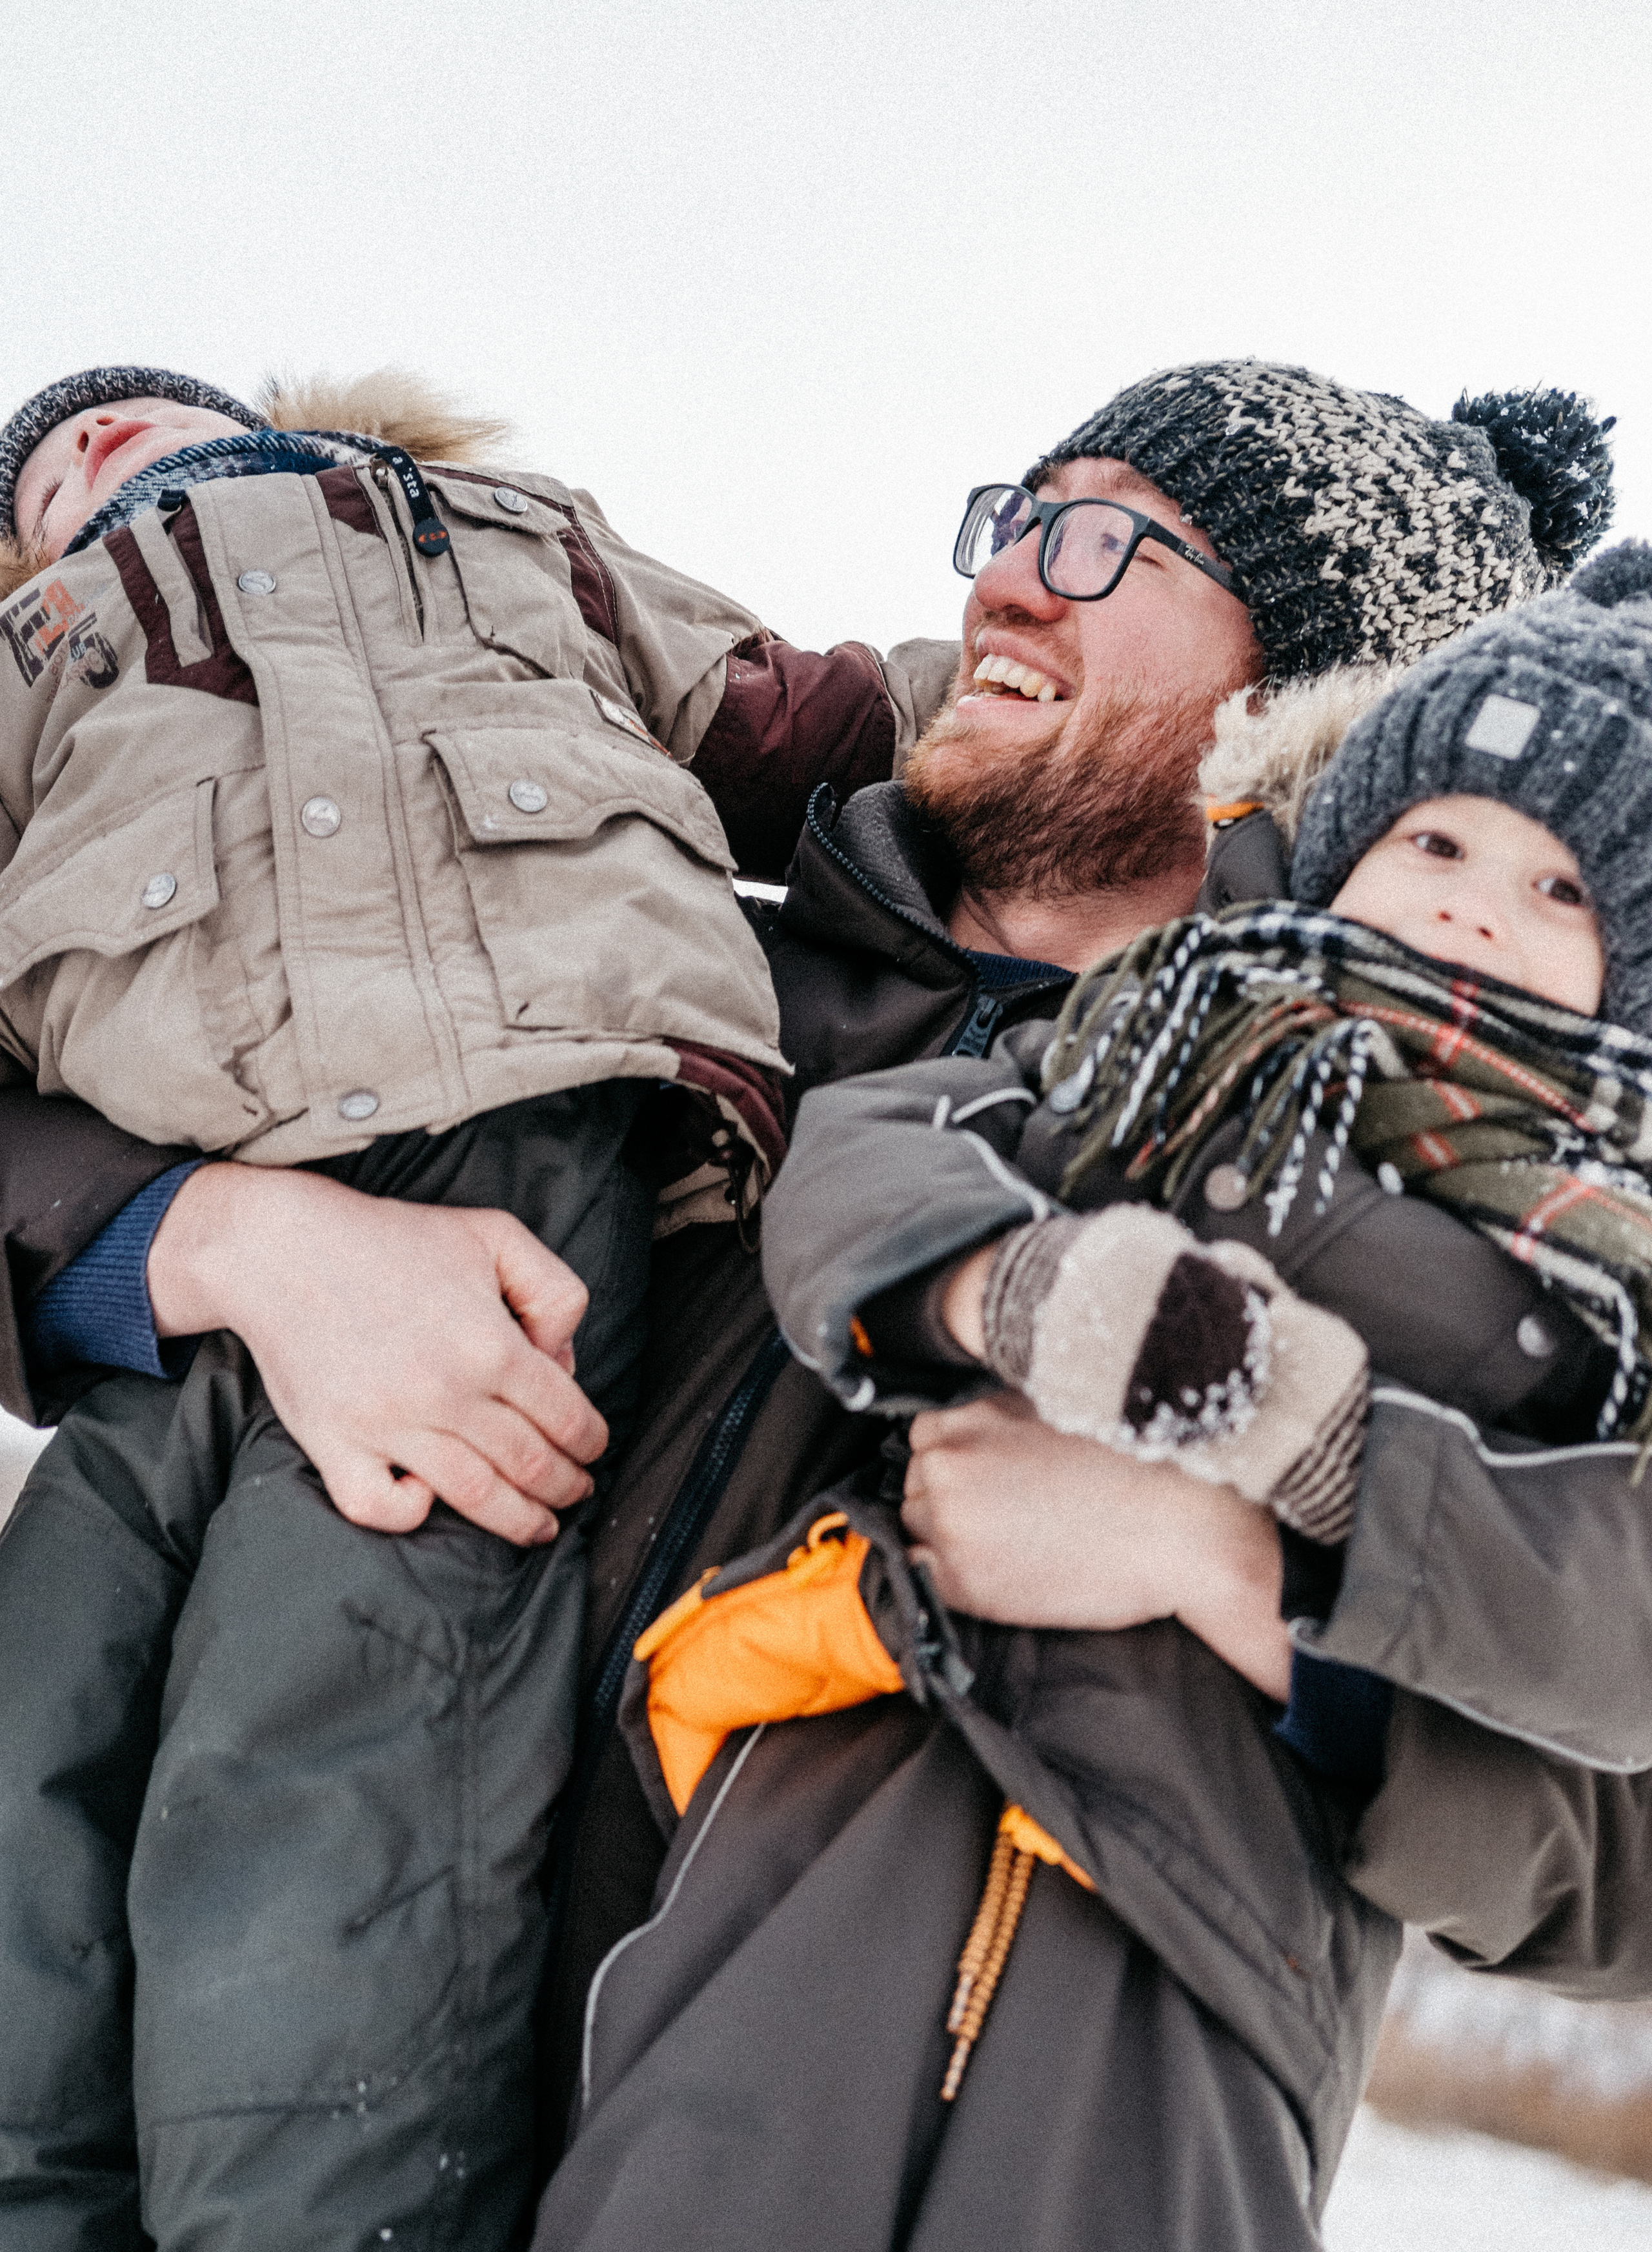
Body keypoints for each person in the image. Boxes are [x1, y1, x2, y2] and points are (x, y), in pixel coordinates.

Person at [0, 359, 1637, 2251]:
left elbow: (1617, 1850)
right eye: (1018, 520)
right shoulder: (653, 999)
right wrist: (211, 1240)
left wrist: (1241, 1576)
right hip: (307, 2149)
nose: (1007, 582)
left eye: (1107, 542)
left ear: (1297, 690)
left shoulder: (1424, 1208)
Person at [0, 361, 950, 2252]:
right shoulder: (39, 659)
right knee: (33, 1746)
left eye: (136, 408)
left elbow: (836, 721)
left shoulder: (520, 549)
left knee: (328, 1777)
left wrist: (1233, 710)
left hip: (502, 1187)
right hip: (168, 1287)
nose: (83, 439)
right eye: (35, 475)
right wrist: (176, 1237)